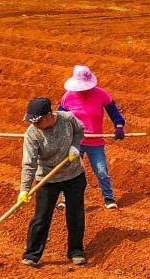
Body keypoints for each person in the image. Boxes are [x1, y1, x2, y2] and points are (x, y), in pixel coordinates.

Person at [18, 97, 87, 267]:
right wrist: (24, 189)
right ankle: (32, 254)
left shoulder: (67, 119)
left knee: (75, 214)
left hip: (74, 175)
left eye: (38, 121)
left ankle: (76, 250)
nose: (35, 124)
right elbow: (29, 163)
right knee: (41, 217)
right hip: (47, 179)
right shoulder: (32, 134)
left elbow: (80, 129)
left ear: (50, 115)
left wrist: (75, 146)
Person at [58, 65, 127, 209]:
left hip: (95, 142)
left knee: (101, 171)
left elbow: (113, 111)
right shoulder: (68, 97)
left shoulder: (101, 94)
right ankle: (66, 199)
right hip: (75, 141)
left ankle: (109, 198)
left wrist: (119, 125)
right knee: (70, 170)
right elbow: (60, 117)